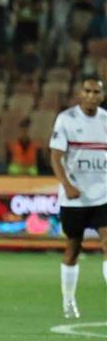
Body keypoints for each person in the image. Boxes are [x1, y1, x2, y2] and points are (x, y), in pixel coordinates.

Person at [48, 75, 107, 319]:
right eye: (88, 91)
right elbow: (56, 156)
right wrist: (67, 185)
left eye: (96, 92)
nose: (92, 96)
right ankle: (68, 300)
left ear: (102, 96)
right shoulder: (67, 119)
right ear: (80, 93)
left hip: (103, 195)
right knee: (73, 247)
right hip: (75, 197)